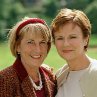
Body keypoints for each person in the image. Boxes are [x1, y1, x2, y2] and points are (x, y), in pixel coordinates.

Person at [0, 17, 57, 97]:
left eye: (42, 42)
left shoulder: (50, 77)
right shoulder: (4, 80)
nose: (38, 49)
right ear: (17, 47)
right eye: (30, 42)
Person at [51, 8, 97, 97]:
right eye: (60, 38)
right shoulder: (59, 75)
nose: (66, 44)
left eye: (72, 37)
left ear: (86, 39)